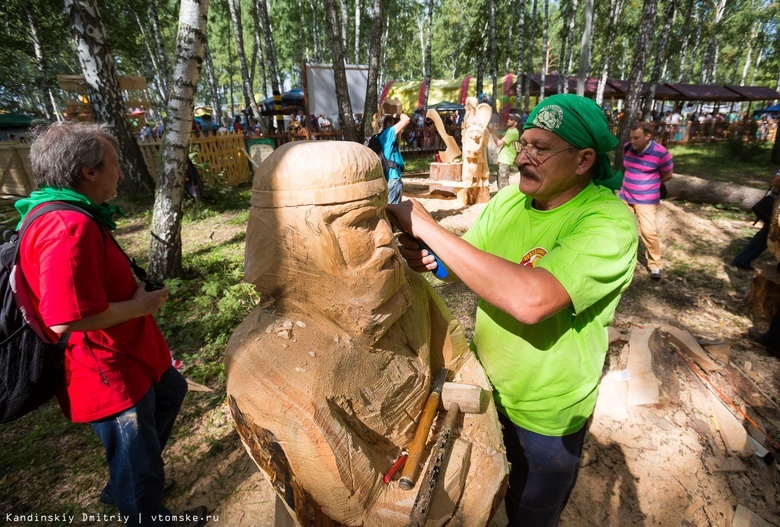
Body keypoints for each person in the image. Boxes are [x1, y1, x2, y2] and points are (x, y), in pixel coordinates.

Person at [387, 93, 638, 527]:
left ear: (583, 161)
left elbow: (531, 300)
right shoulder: (509, 202)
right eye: (524, 143)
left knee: (529, 516)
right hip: (486, 392)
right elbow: (467, 262)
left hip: (547, 416)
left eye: (541, 148)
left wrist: (428, 227)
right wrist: (434, 256)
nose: (525, 156)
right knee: (477, 500)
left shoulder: (609, 222)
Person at [16, 122, 207, 527]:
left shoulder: (70, 212)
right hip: (107, 371)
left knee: (170, 392)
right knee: (136, 452)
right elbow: (66, 317)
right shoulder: (67, 226)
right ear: (88, 172)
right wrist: (139, 307)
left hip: (132, 358)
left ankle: (128, 479)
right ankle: (140, 503)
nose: (120, 173)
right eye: (115, 165)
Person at [618, 120, 674, 280]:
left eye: (637, 138)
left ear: (648, 136)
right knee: (622, 228)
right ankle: (622, 257)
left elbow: (668, 175)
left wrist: (650, 183)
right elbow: (627, 166)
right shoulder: (628, 147)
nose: (632, 141)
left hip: (646, 200)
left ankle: (655, 265)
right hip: (625, 196)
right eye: (631, 137)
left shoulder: (661, 153)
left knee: (648, 232)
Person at [731, 170, 780, 270]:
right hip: (777, 210)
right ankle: (742, 260)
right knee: (767, 233)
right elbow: (776, 182)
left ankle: (742, 260)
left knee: (765, 234)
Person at [377, 112, 410, 204]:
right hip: (393, 177)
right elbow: (406, 119)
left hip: (385, 177)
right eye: (393, 123)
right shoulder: (388, 133)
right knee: (394, 209)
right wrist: (399, 114)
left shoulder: (378, 136)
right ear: (388, 124)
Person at [492, 113, 521, 190]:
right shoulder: (510, 130)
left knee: (503, 182)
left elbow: (499, 143)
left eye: (511, 119)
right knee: (500, 181)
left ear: (515, 123)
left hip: (506, 160)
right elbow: (501, 136)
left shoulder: (513, 132)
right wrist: (495, 130)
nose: (508, 120)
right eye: (509, 118)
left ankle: (504, 198)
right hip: (503, 159)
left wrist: (492, 133)